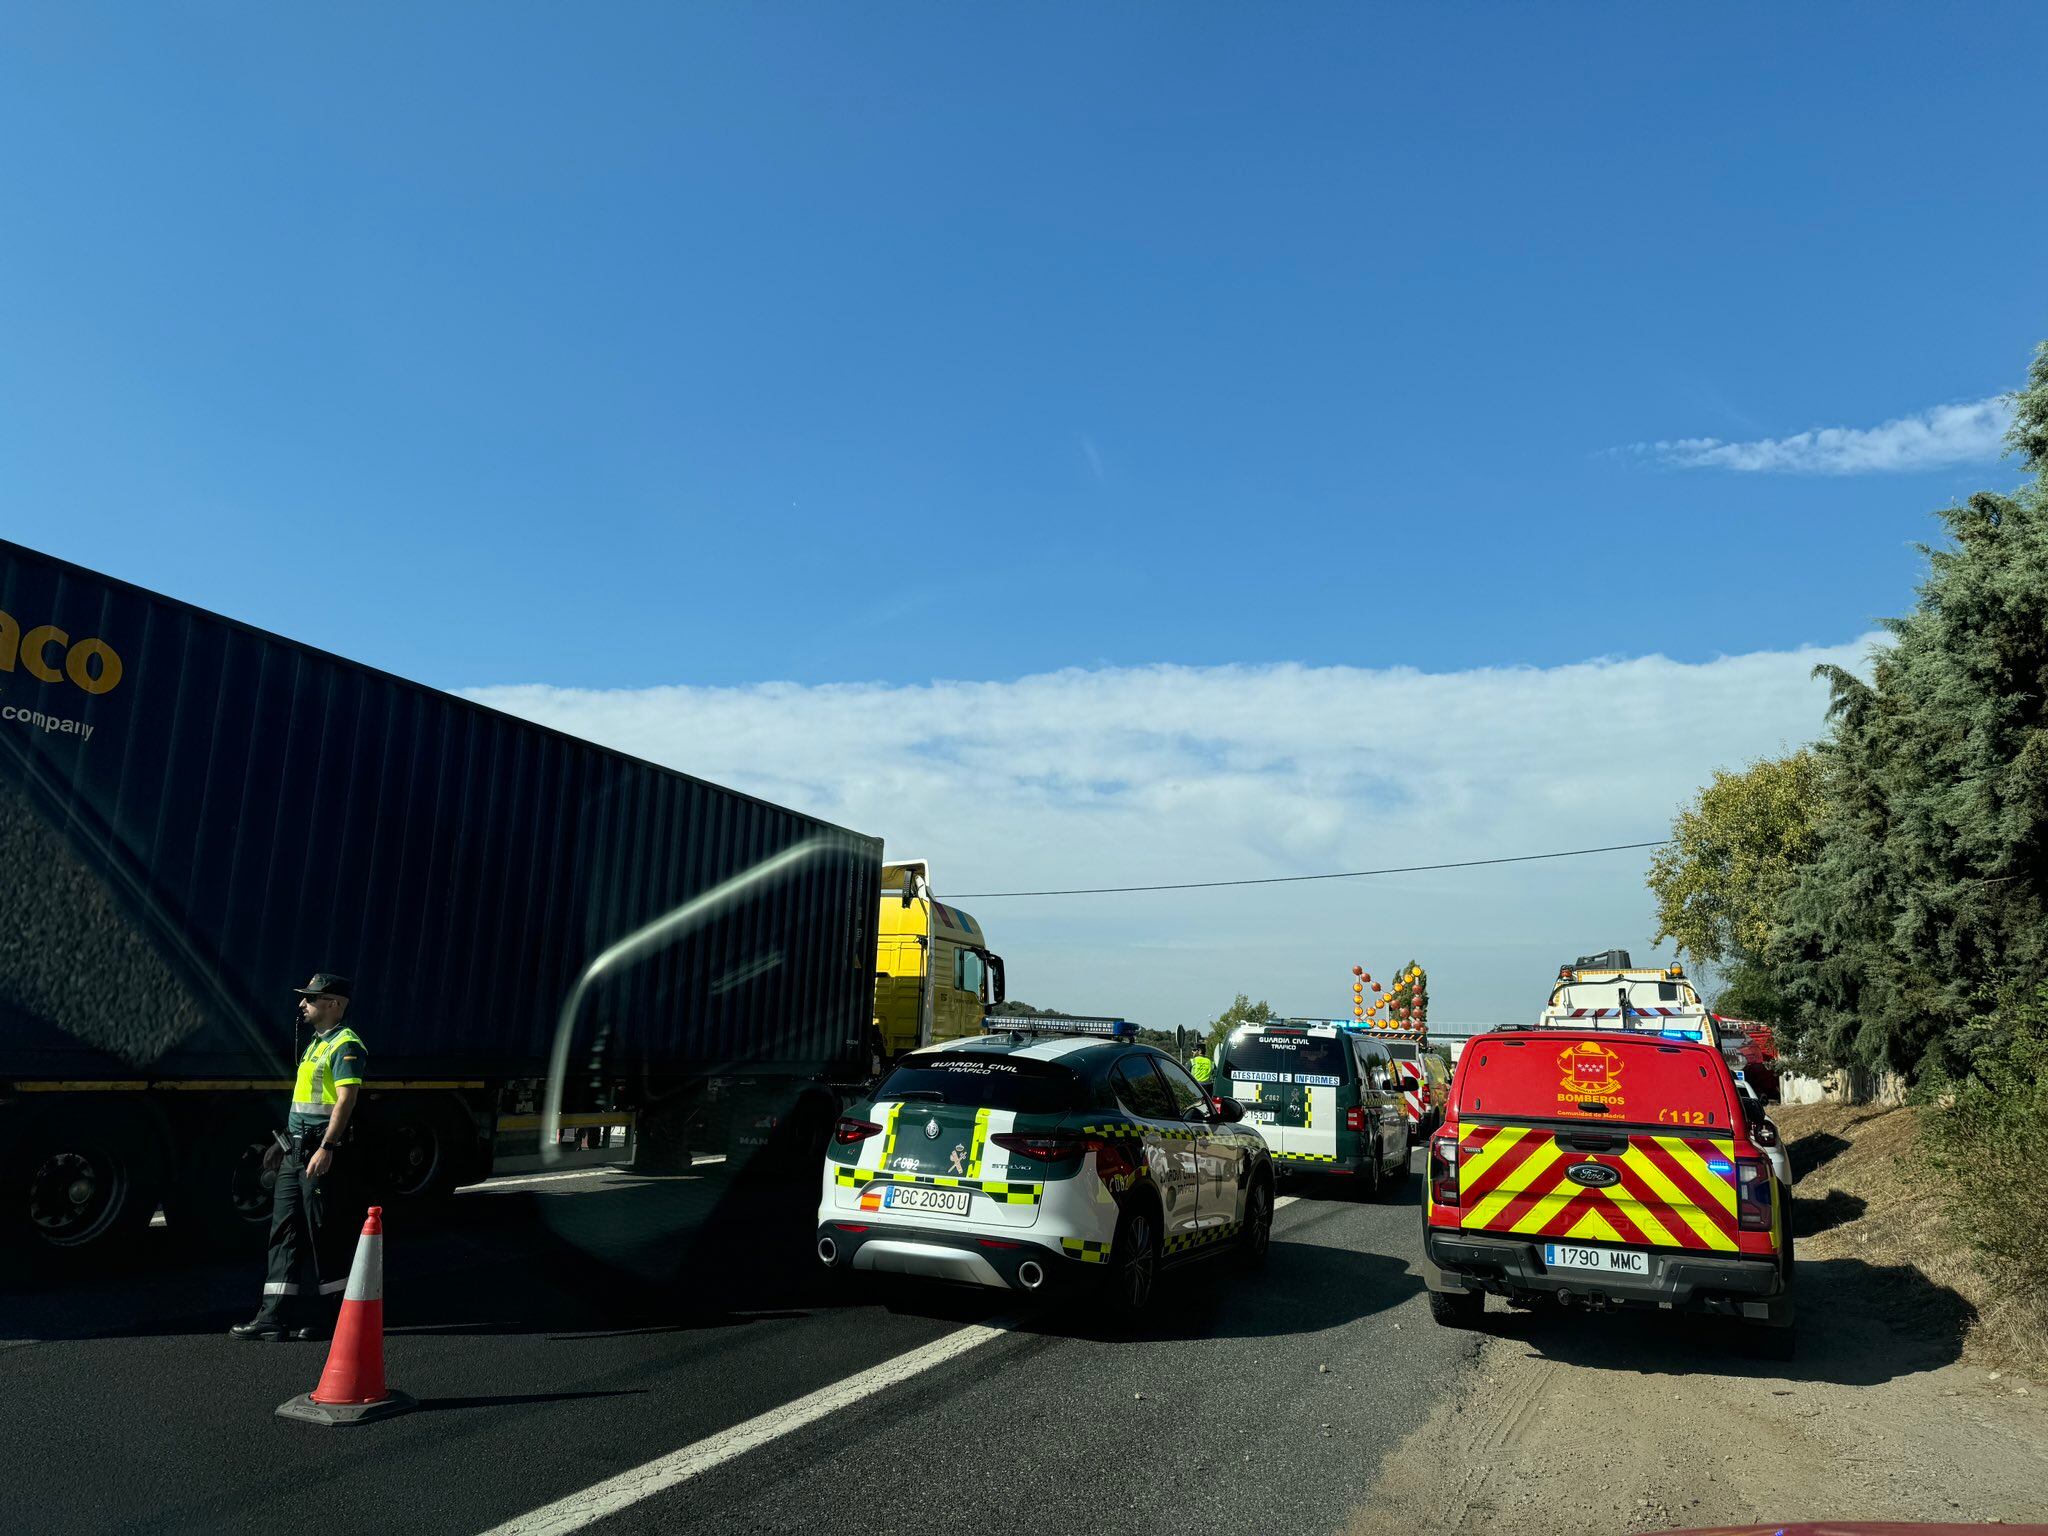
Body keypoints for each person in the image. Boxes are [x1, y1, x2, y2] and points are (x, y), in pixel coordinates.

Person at [230, 973, 368, 1342]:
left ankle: (334, 1316)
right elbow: (303, 1100)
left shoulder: (345, 1044)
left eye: (311, 998)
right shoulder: (315, 1044)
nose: (302, 1004)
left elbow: (346, 1100)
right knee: (283, 1231)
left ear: (334, 1004)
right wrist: (283, 1140)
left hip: (318, 1152)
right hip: (295, 1150)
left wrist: (328, 1148)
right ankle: (273, 1316)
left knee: (322, 1230)